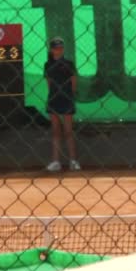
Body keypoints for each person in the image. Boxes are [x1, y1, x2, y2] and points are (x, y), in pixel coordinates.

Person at [44, 37, 81, 172]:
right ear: (51, 50)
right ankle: (55, 162)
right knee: (55, 131)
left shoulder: (69, 64)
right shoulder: (47, 65)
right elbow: (48, 83)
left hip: (67, 100)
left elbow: (73, 82)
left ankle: (73, 161)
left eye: (60, 48)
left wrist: (69, 96)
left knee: (68, 131)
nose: (58, 50)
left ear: (63, 49)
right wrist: (54, 94)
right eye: (55, 48)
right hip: (54, 99)